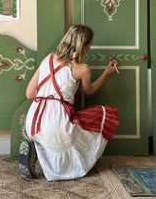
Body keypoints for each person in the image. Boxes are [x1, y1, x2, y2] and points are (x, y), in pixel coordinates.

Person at [19, 24, 119, 181]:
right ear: (83, 45)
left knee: (53, 135)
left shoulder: (49, 59)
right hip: (55, 122)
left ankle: (36, 149)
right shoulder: (82, 69)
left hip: (32, 122)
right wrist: (106, 73)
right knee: (101, 116)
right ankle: (50, 158)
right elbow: (89, 91)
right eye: (90, 44)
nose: (91, 48)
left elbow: (29, 93)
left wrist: (49, 93)